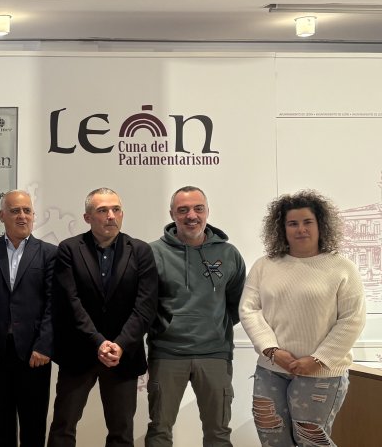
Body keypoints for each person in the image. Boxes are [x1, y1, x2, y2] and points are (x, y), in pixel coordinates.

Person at [240, 190, 365, 447]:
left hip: (321, 373)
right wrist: (272, 351)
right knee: (272, 437)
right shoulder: (265, 265)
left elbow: (352, 319)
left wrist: (318, 359)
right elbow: (249, 309)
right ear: (282, 228)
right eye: (292, 223)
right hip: (271, 369)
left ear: (321, 225)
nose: (300, 229)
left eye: (308, 222)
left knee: (311, 441)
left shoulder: (342, 267)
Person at [47, 187, 158, 447]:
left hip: (123, 355)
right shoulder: (69, 249)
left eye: (116, 209)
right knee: (63, 427)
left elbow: (145, 306)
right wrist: (98, 342)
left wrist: (119, 344)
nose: (111, 215)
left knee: (121, 433)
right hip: (79, 352)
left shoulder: (140, 251)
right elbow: (69, 302)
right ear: (87, 217)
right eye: (102, 210)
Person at [146, 186, 245, 447]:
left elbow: (237, 303)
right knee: (159, 432)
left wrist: (213, 324)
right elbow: (145, 304)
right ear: (172, 214)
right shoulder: (153, 253)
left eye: (198, 208)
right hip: (167, 353)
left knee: (219, 433)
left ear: (207, 211)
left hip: (214, 353)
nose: (192, 215)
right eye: (183, 210)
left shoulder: (228, 254)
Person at [0, 190, 56, 447]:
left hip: (34, 355)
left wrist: (44, 345)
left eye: (27, 210)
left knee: (34, 425)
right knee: (0, 424)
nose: (22, 216)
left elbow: (54, 303)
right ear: (2, 215)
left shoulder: (49, 252)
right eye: (15, 210)